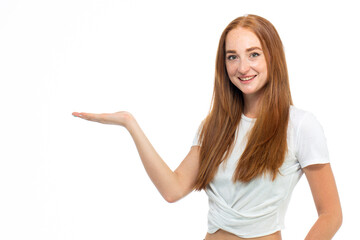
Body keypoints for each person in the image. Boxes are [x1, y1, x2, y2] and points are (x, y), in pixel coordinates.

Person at [72, 14, 342, 240]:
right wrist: (130, 124)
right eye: (232, 57)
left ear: (273, 57)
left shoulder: (300, 126)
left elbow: (331, 214)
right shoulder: (214, 126)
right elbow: (173, 189)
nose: (243, 67)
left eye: (254, 54)